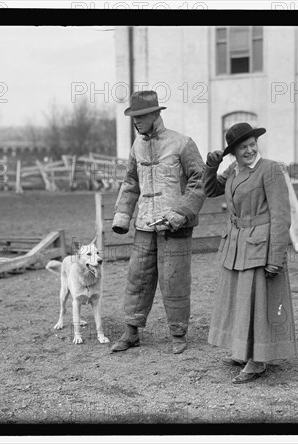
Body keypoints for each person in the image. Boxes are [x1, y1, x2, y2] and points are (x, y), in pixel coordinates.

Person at [111, 90, 206, 354]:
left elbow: (199, 182)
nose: (137, 122)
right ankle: (131, 332)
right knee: (137, 279)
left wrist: (181, 213)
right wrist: (123, 216)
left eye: (141, 116)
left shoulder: (182, 143)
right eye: (134, 116)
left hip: (175, 227)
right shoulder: (136, 146)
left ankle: (178, 333)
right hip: (144, 226)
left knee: (174, 280)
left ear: (156, 114)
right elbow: (130, 182)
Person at [204, 122, 296, 384]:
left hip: (260, 246)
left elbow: (281, 216)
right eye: (243, 147)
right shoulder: (234, 169)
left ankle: (257, 361)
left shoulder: (270, 170)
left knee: (258, 305)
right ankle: (243, 351)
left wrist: (276, 257)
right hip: (237, 245)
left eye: (252, 144)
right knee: (240, 302)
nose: (250, 150)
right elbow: (210, 190)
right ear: (233, 152)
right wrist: (211, 166)